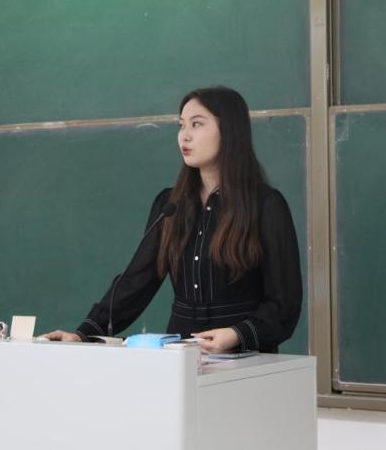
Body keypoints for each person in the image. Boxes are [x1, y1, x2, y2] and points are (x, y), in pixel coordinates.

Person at [44, 86, 302, 353]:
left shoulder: (266, 205)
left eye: (197, 124)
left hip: (246, 357)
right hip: (180, 356)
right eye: (181, 125)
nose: (184, 136)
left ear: (229, 130)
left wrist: (237, 334)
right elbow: (136, 282)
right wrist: (84, 333)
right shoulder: (170, 205)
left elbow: (284, 304)